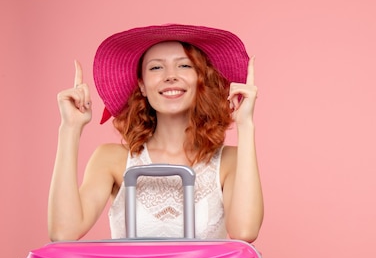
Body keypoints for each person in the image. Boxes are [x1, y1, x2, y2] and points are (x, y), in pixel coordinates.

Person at [48, 24, 263, 242]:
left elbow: (244, 232)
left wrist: (246, 125)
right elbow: (63, 233)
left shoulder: (229, 161)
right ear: (142, 85)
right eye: (156, 68)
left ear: (201, 80)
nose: (171, 76)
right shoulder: (110, 159)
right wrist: (70, 129)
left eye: (184, 66)